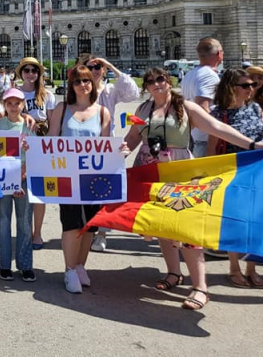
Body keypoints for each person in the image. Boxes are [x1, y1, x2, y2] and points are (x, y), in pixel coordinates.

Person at [122, 67, 263, 310]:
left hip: (179, 172)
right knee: (161, 224)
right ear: (146, 86)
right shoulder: (143, 109)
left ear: (168, 81)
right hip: (150, 170)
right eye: (151, 81)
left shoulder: (186, 107)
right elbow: (133, 137)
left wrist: (251, 144)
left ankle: (200, 287)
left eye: (160, 79)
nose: (157, 84)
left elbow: (216, 128)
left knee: (187, 229)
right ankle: (174, 273)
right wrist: (120, 149)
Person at [46, 65, 111, 294]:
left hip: (94, 177)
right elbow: (52, 140)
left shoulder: (103, 112)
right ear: (70, 86)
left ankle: (81, 265)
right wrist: (32, 147)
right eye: (77, 82)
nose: (82, 85)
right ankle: (69, 269)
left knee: (90, 225)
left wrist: (119, 151)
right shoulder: (62, 109)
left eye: (86, 81)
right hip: (68, 177)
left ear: (92, 84)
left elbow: (106, 145)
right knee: (72, 223)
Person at [205, 68, 263, 288]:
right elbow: (211, 147)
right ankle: (234, 268)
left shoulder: (255, 108)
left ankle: (251, 268)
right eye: (246, 85)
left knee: (256, 221)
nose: (251, 89)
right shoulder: (219, 114)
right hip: (232, 174)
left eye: (253, 85)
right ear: (231, 88)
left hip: (257, 172)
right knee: (235, 222)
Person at [79, 54, 139, 253]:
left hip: (107, 143)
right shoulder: (80, 89)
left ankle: (102, 233)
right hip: (84, 144)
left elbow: (133, 93)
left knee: (106, 189)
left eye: (99, 66)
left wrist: (112, 66)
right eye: (91, 66)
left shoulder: (110, 90)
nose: (95, 70)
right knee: (85, 187)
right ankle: (86, 228)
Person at [0, 88, 35, 283]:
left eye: (17, 103)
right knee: (3, 221)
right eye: (9, 103)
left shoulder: (28, 127)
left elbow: (35, 154)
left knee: (25, 222)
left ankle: (25, 265)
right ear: (4, 105)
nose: (13, 107)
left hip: (24, 178)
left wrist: (21, 176)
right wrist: (11, 180)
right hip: (3, 180)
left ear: (23, 105)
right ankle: (4, 265)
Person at [16, 57, 56, 250]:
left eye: (34, 70)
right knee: (22, 189)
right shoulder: (15, 94)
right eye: (27, 70)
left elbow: (52, 121)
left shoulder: (46, 95)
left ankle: (37, 233)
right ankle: (25, 232)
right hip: (20, 144)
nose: (30, 73)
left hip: (41, 143)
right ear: (21, 73)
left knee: (40, 191)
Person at [181, 37, 224, 158]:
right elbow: (202, 107)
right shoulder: (208, 75)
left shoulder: (190, 74)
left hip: (195, 136)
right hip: (206, 139)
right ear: (218, 54)